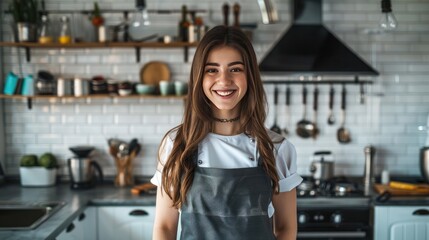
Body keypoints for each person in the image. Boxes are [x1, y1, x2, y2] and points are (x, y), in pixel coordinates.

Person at [151, 25, 302, 240]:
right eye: (212, 70)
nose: (224, 81)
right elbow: (164, 228)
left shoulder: (276, 148)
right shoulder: (176, 144)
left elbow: (286, 228)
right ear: (199, 77)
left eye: (235, 69)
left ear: (250, 76)